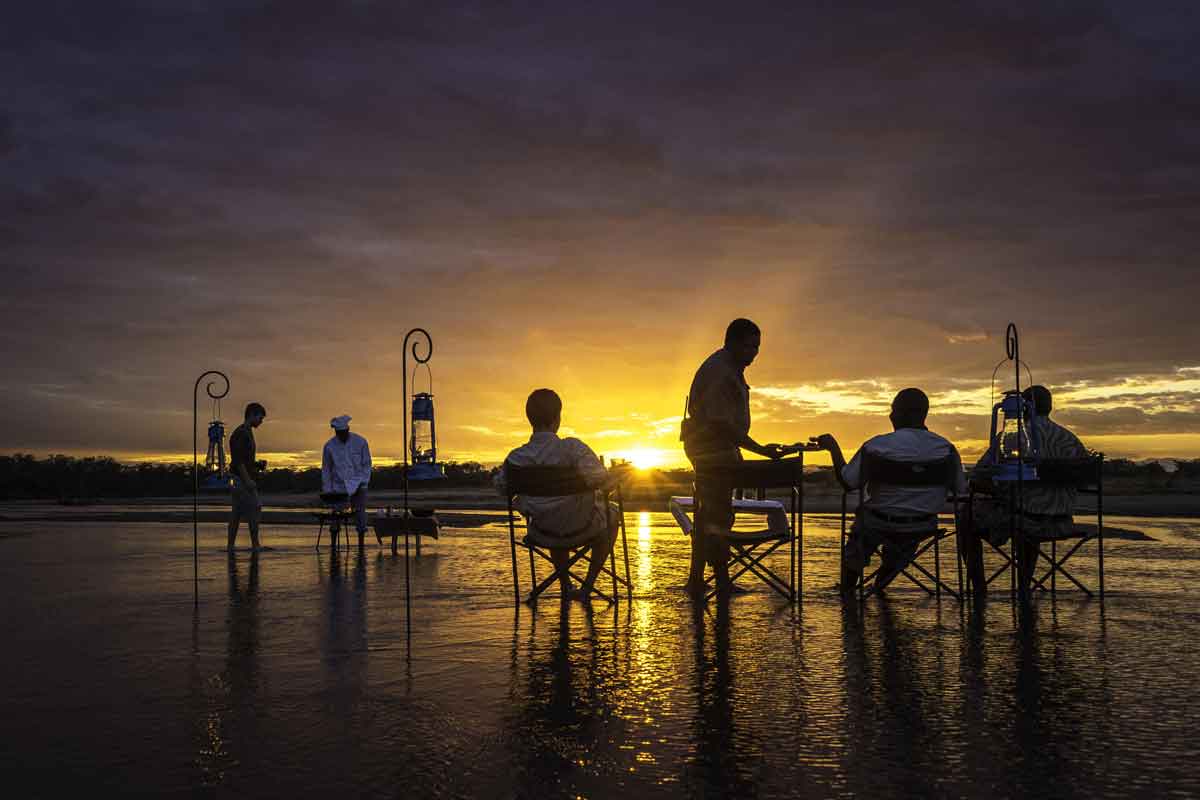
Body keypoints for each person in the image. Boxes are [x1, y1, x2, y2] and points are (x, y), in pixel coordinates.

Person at [814, 388, 966, 595]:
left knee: (862, 534)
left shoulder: (877, 446)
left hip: (878, 523)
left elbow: (849, 483)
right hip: (922, 525)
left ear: (905, 413)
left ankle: (847, 591)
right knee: (903, 540)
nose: (890, 415)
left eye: (894, 409)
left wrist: (833, 449)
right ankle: (879, 584)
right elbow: (960, 490)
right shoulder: (946, 449)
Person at [680, 318, 787, 596]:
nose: (754, 353)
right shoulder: (720, 372)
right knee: (714, 516)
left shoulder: (730, 368)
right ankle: (712, 581)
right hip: (711, 451)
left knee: (715, 515)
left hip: (719, 449)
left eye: (757, 347)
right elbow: (721, 425)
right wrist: (761, 450)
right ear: (733, 343)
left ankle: (706, 580)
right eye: (750, 346)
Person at [494, 388, 627, 601]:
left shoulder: (516, 458)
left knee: (553, 511)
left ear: (530, 419)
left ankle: (565, 584)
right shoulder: (574, 449)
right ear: (557, 418)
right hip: (582, 528)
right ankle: (587, 587)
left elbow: (501, 488)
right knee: (612, 513)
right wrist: (618, 476)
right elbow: (602, 481)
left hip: (542, 531)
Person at [963, 385, 1088, 596]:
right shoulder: (1071, 440)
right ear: (1050, 407)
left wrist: (992, 487)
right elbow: (1084, 480)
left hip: (1024, 521)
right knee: (1026, 509)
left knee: (966, 516)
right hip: (1062, 522)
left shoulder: (1012, 438)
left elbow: (977, 476)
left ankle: (979, 589)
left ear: (1023, 407)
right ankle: (1023, 586)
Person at [321, 414, 373, 547]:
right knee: (335, 516)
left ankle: (361, 543)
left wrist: (364, 482)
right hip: (338, 486)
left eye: (344, 433)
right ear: (336, 432)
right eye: (339, 433)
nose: (342, 435)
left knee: (360, 514)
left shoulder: (360, 442)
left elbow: (366, 464)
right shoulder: (329, 446)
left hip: (359, 483)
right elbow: (326, 469)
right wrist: (328, 490)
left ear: (348, 430)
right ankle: (333, 543)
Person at [228, 402, 267, 551]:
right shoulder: (242, 433)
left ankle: (231, 547)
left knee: (237, 513)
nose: (261, 422)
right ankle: (255, 545)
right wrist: (248, 480)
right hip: (240, 480)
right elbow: (238, 461)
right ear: (252, 414)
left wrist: (256, 465)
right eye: (260, 418)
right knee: (255, 508)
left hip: (238, 479)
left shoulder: (246, 432)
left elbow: (244, 460)